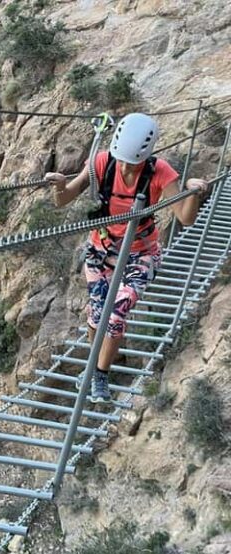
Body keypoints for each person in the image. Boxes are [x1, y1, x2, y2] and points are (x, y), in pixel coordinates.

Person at [44, 113, 209, 403]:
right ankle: (95, 365)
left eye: (131, 162)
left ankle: (100, 375)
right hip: (101, 251)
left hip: (141, 254)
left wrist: (193, 192)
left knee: (116, 314)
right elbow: (63, 199)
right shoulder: (102, 162)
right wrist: (59, 185)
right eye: (121, 159)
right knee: (97, 316)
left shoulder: (160, 172)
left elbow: (186, 217)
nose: (123, 166)